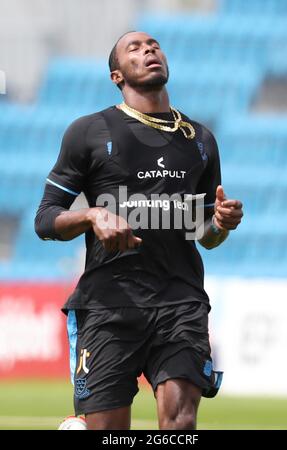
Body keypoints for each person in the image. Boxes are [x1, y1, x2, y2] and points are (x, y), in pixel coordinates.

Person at [35, 31, 243, 430]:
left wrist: (219, 224)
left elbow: (203, 234)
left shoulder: (200, 140)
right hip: (108, 305)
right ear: (117, 75)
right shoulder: (89, 132)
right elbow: (45, 220)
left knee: (180, 424)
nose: (149, 50)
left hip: (180, 301)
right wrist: (92, 215)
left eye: (154, 45)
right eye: (135, 47)